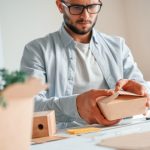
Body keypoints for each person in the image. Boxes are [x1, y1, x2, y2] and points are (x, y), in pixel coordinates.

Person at [20, 0, 150, 127]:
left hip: (121, 131)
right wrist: (76, 106)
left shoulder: (118, 46)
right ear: (60, 6)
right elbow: (30, 105)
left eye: (92, 6)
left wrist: (143, 92)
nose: (86, 16)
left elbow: (144, 89)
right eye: (76, 7)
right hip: (65, 140)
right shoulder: (36, 50)